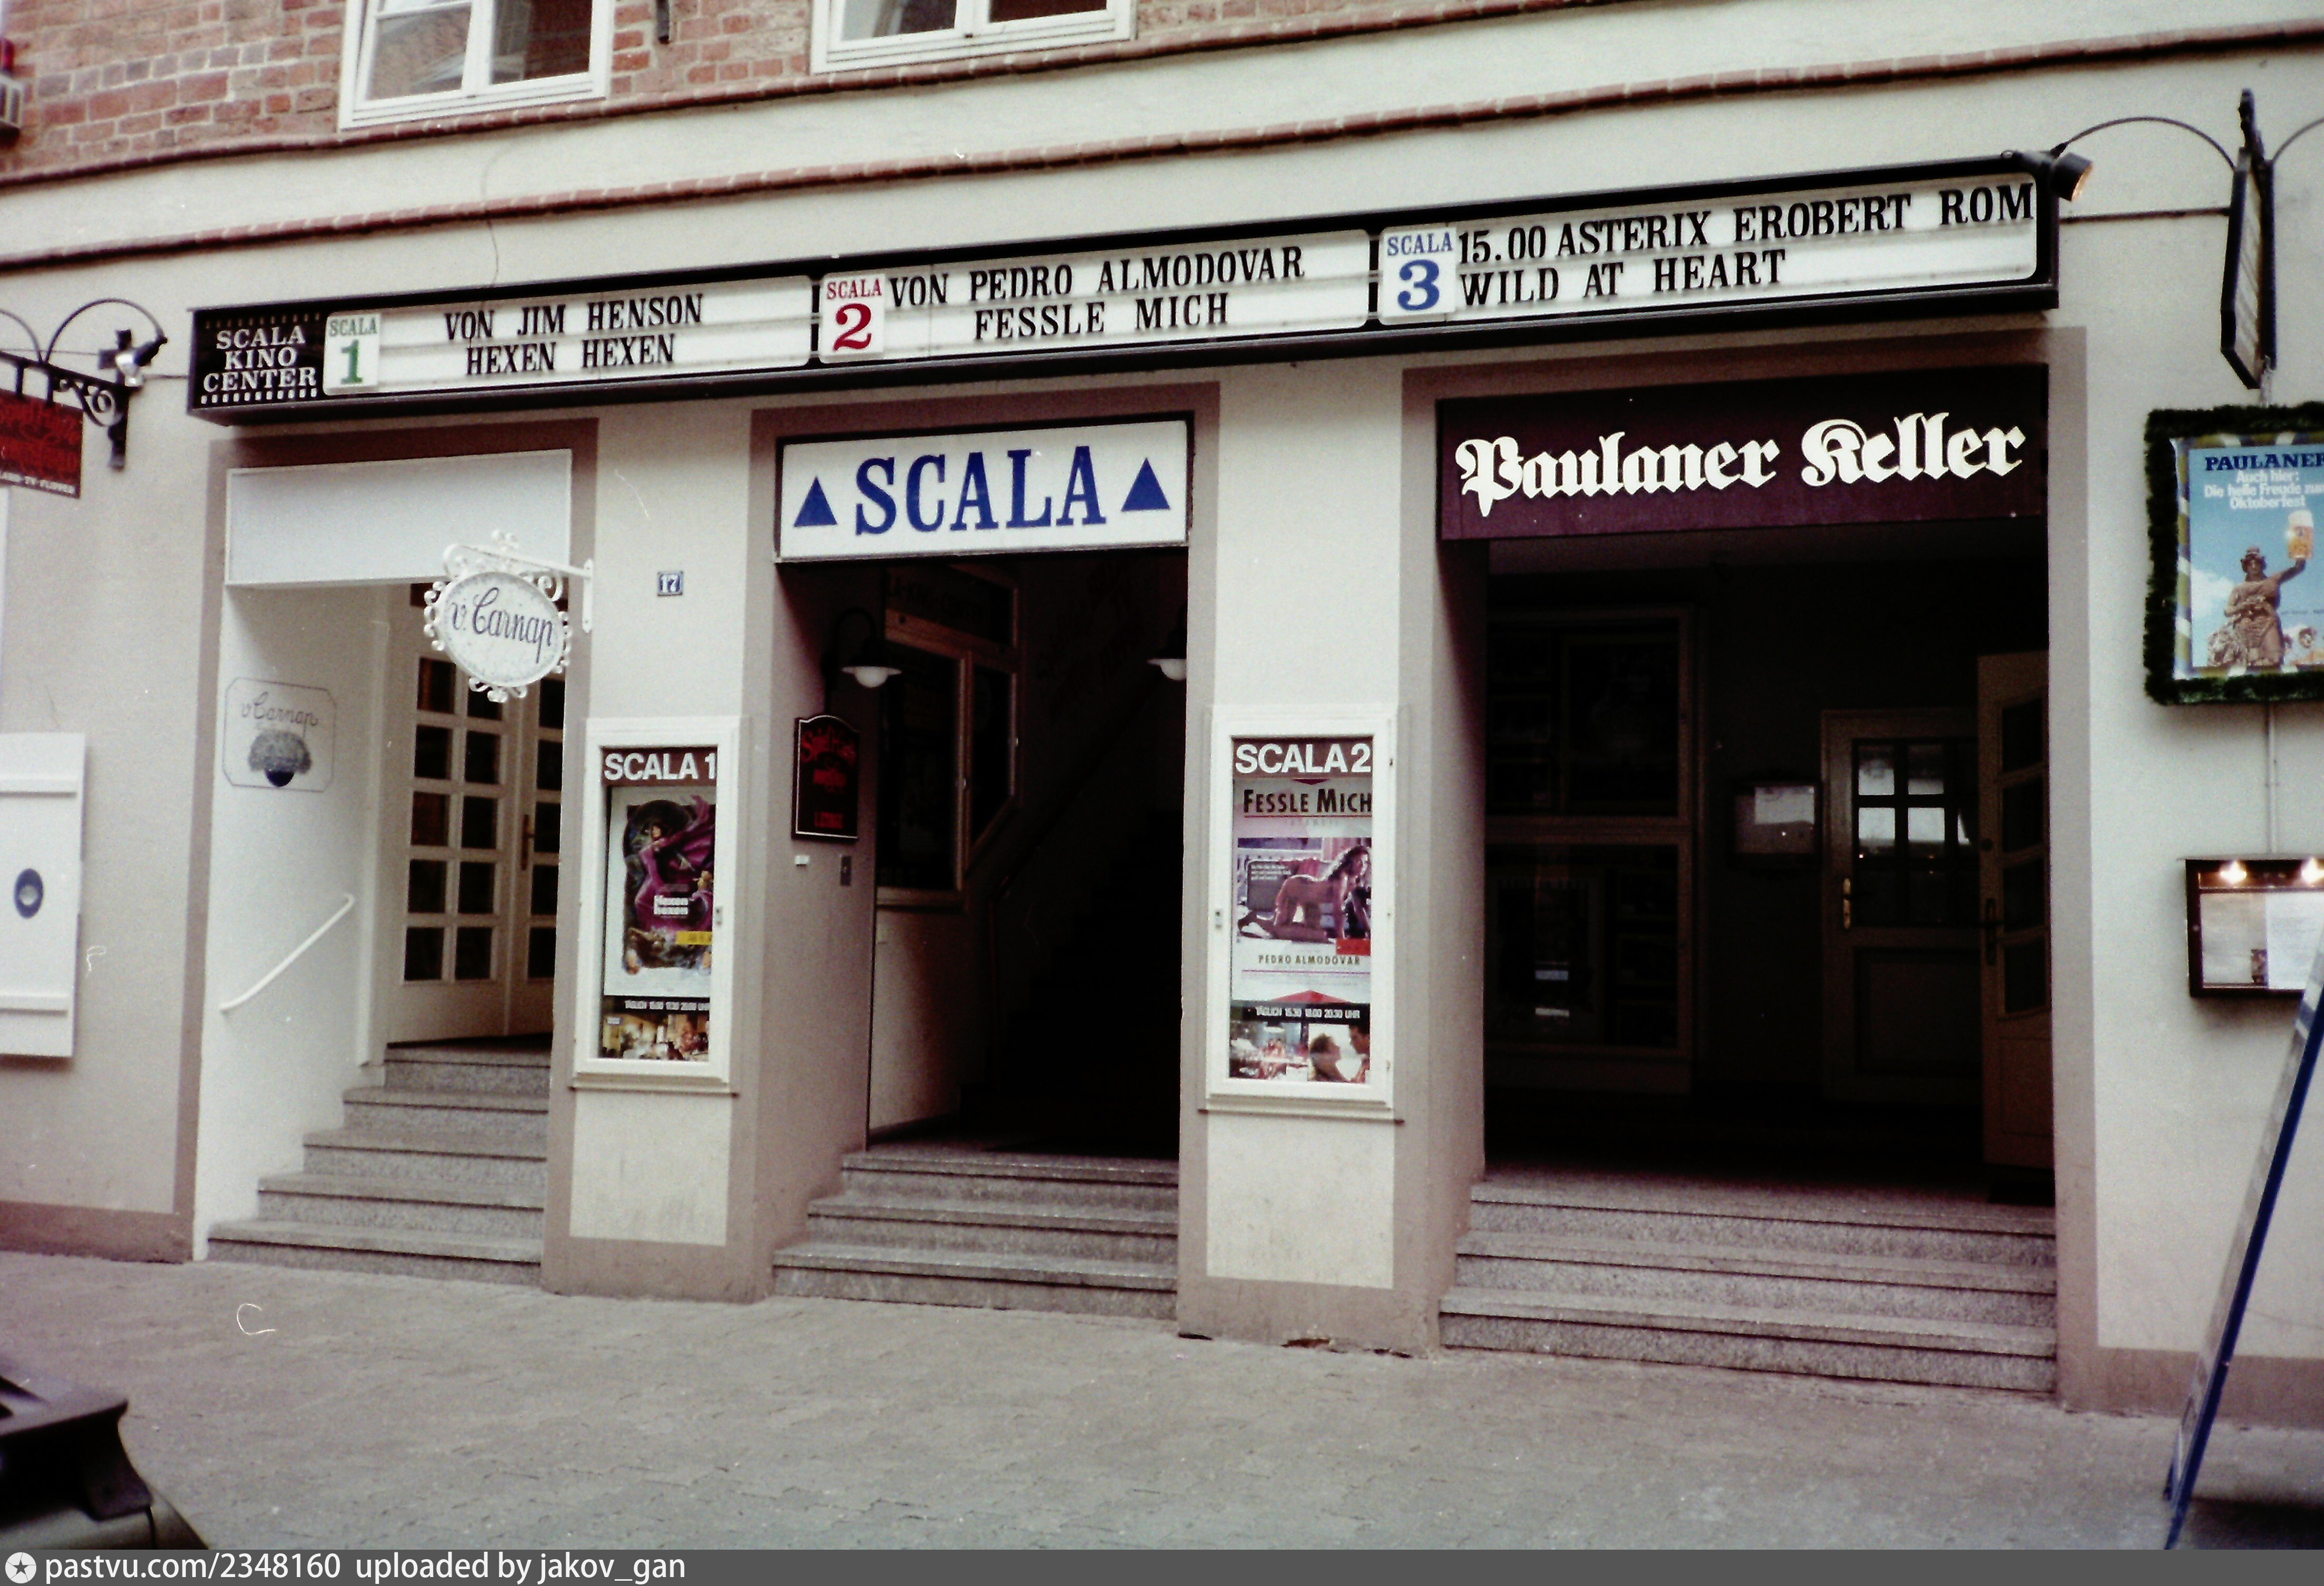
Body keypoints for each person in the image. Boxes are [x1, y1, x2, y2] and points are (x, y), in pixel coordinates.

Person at [2220, 544, 2307, 669]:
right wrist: (2243, 606)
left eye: (2257, 563)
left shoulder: (2273, 580)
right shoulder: (2239, 588)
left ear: (2262, 564)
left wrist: (2301, 551)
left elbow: (2298, 569)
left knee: (2275, 659)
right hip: (2247, 627)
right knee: (2249, 663)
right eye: (2250, 564)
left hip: (2268, 622)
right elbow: (2228, 610)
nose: (2254, 566)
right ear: (2246, 567)